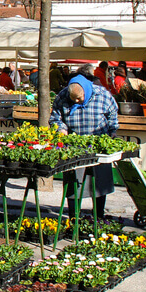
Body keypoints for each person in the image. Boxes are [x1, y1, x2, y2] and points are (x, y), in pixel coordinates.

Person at [50, 74, 119, 219]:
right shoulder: (62, 97)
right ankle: (74, 216)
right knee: (73, 181)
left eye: (79, 98)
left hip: (98, 144)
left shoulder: (102, 95)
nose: (76, 101)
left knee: (100, 182)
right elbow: (55, 117)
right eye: (73, 98)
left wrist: (112, 132)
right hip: (74, 146)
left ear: (86, 91)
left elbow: (113, 113)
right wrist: (61, 129)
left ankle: (99, 215)